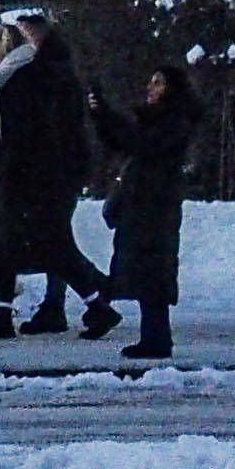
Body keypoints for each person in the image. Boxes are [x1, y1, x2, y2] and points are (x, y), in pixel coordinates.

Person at [0, 12, 105, 339]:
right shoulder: (24, 74)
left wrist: (7, 167)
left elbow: (26, 133)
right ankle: (94, 303)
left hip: (29, 176)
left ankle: (97, 301)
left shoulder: (23, 77)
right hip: (36, 174)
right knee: (30, 245)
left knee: (37, 245)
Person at [84, 56, 201, 361]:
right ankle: (153, 336)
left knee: (153, 273)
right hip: (144, 204)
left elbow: (139, 143)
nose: (151, 88)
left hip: (156, 206)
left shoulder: (174, 121)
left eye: (158, 82)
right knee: (145, 271)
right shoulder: (158, 120)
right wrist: (102, 116)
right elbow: (124, 141)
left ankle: (157, 338)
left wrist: (108, 115)